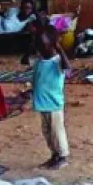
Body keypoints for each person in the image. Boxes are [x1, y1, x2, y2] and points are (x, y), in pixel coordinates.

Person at [31, 28, 70, 168]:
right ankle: (55, 154)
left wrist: (59, 48)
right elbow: (38, 79)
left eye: (43, 44)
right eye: (38, 45)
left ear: (52, 44)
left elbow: (67, 66)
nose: (40, 48)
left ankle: (63, 156)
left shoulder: (57, 61)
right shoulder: (40, 62)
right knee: (48, 133)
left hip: (53, 104)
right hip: (42, 104)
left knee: (57, 132)